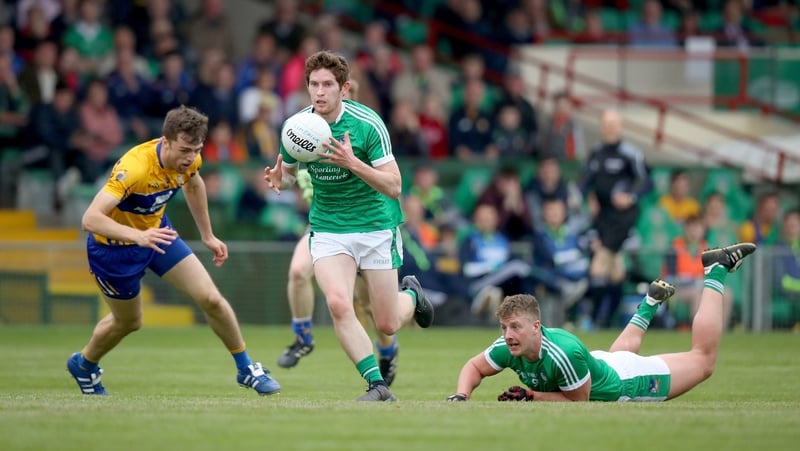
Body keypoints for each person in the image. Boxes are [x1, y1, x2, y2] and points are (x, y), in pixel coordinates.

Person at [66, 105, 280, 396]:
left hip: (158, 235)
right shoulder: (136, 168)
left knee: (211, 299)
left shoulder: (190, 160)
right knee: (129, 322)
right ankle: (84, 364)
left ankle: (246, 369)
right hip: (115, 251)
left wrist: (208, 235)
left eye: (196, 149)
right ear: (165, 141)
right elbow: (90, 219)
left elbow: (194, 185)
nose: (191, 157)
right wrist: (138, 236)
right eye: (184, 150)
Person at [264, 50, 434, 402]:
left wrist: (352, 162)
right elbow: (294, 174)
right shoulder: (296, 128)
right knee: (340, 304)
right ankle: (376, 386)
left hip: (375, 226)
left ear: (344, 88)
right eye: (314, 84)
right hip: (328, 228)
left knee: (386, 323)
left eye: (328, 84)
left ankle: (412, 294)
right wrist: (283, 180)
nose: (320, 92)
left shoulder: (368, 123)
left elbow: (394, 186)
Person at [446, 242, 756, 402]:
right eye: (504, 327)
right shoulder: (508, 345)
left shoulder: (562, 352)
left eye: (515, 327)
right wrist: (462, 395)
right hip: (604, 364)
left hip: (630, 383)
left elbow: (578, 401)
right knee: (618, 355)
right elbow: (474, 367)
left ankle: (716, 270)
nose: (507, 335)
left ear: (536, 327)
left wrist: (531, 396)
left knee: (704, 361)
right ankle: (648, 304)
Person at [276, 169, 401, 387]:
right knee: (298, 272)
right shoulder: (302, 141)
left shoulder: (353, 141)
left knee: (370, 306)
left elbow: (388, 182)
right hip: (324, 226)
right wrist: (282, 179)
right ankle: (303, 337)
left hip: (360, 227)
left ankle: (388, 349)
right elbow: (287, 173)